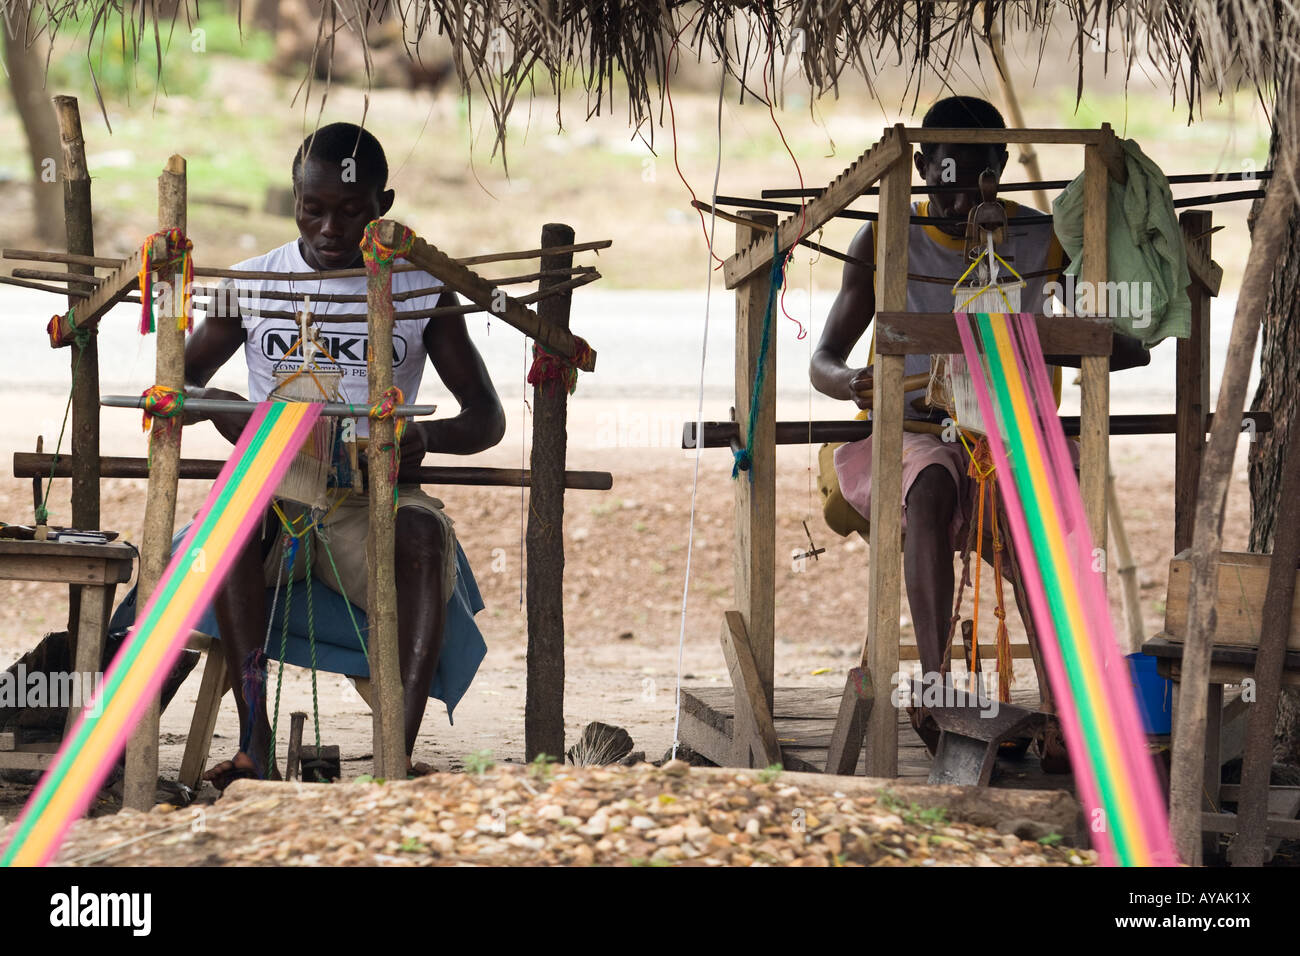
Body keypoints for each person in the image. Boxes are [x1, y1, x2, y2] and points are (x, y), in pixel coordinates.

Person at [810, 96, 1150, 769]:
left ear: (1002, 170)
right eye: (947, 176)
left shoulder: (1040, 241)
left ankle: (1064, 711)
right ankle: (935, 689)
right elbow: (822, 360)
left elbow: (1124, 343)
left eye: (983, 177)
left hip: (1006, 439)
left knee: (1035, 516)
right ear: (921, 167)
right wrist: (849, 381)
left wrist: (1050, 341)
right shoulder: (883, 238)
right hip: (904, 434)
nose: (965, 194)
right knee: (932, 481)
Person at [183, 123, 506, 785]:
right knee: (231, 525)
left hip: (373, 495)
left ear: (382, 204)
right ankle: (254, 743)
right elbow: (176, 382)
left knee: (423, 535)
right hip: (280, 485)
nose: (330, 227)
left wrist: (427, 439)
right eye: (313, 210)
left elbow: (487, 417)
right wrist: (235, 417)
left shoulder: (420, 290)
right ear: (293, 202)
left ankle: (394, 753)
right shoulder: (249, 283)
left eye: (351, 211)